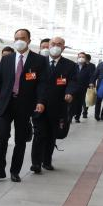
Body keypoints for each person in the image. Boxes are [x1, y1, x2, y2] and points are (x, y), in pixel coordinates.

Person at [0, 28, 50, 183]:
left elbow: (43, 84)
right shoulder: (7, 59)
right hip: (5, 103)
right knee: (1, 136)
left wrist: (41, 102)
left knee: (20, 140)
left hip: (25, 105)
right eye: (16, 38)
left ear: (29, 40)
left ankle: (15, 171)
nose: (19, 40)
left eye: (22, 37)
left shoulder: (39, 61)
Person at [31, 36, 80, 173]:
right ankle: (36, 163)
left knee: (52, 135)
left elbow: (73, 81)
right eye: (53, 43)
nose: (55, 46)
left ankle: (47, 161)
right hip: (39, 105)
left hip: (58, 106)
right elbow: (34, 83)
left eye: (59, 44)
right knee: (39, 134)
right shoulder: (39, 63)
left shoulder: (70, 65)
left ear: (63, 47)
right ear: (48, 45)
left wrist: (70, 92)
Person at [73, 52, 96, 122]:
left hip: (83, 88)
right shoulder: (74, 66)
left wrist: (91, 83)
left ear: (85, 59)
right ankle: (70, 116)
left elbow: (92, 76)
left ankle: (77, 117)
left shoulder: (88, 67)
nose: (81, 58)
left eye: (83, 57)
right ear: (77, 58)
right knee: (72, 103)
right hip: (73, 87)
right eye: (80, 57)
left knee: (80, 103)